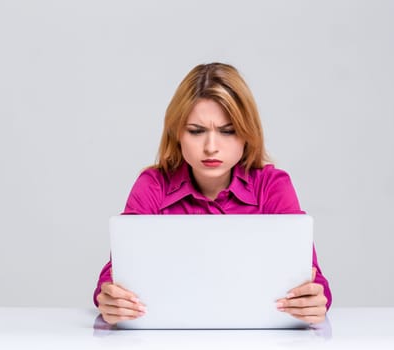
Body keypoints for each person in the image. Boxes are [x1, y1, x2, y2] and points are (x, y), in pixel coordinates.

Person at [94, 62, 332, 325]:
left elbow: (311, 277)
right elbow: (117, 274)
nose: (211, 147)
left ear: (247, 134)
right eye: (196, 131)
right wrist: (110, 298)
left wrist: (314, 300)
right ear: (177, 135)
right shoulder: (153, 185)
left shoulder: (272, 186)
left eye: (227, 131)